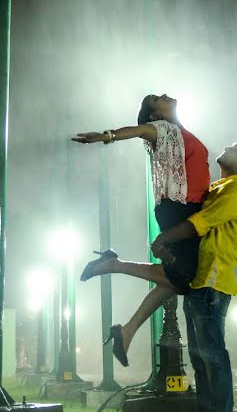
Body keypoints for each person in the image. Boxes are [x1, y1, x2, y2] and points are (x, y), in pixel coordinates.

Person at [80, 134, 237, 412]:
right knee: (199, 358)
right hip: (198, 281)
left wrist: (165, 238)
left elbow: (202, 222)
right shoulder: (217, 188)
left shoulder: (235, 188)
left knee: (213, 357)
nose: (229, 147)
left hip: (212, 282)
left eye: (236, 148)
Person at [72, 94, 210, 366]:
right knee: (185, 277)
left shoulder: (179, 133)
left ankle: (128, 330)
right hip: (179, 209)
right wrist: (105, 136)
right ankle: (114, 265)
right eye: (157, 99)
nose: (165, 95)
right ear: (154, 115)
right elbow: (134, 131)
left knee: (176, 278)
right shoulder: (160, 129)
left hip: (187, 208)